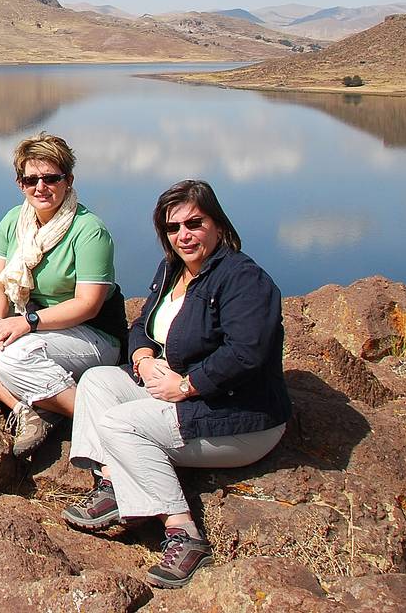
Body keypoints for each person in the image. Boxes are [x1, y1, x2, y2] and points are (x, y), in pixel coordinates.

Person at [62, 179, 291, 590]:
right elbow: (142, 325)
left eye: (195, 223)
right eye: (173, 227)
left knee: (118, 424)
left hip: (238, 418)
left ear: (218, 224)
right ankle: (115, 484)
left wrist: (187, 385)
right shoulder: (172, 269)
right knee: (97, 380)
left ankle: (183, 532)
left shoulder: (243, 280)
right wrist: (143, 357)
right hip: (176, 391)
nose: (183, 235)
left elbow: (247, 354)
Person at [0, 132, 127, 457]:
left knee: (14, 356)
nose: (41, 187)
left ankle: (104, 422)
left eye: (51, 178)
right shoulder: (15, 221)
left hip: (91, 335)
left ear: (68, 179)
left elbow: (88, 305)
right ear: (19, 182)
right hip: (35, 327)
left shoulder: (88, 230)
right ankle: (27, 409)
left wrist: (27, 323)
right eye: (31, 179)